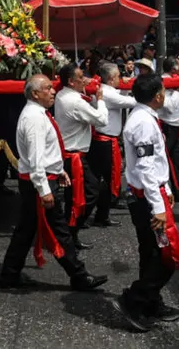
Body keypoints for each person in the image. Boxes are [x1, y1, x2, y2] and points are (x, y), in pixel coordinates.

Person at [0, 74, 109, 291]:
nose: (53, 92)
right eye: (48, 88)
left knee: (26, 230)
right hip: (40, 183)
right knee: (59, 230)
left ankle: (9, 275)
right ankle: (78, 275)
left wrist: (58, 171)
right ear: (34, 93)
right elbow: (36, 157)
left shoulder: (38, 114)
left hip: (43, 179)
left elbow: (44, 154)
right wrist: (44, 188)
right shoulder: (35, 118)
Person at [115, 73, 179, 332]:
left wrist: (167, 187)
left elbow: (156, 163)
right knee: (165, 257)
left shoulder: (145, 118)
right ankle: (134, 300)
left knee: (151, 252)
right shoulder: (143, 123)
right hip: (148, 200)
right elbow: (146, 167)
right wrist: (158, 207)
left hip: (151, 194)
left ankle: (150, 302)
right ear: (158, 96)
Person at [54, 63, 108, 250]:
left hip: (71, 153)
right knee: (90, 191)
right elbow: (101, 120)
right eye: (80, 77)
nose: (84, 79)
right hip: (74, 156)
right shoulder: (75, 101)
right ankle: (69, 231)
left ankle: (70, 233)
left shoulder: (63, 95)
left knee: (73, 196)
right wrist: (100, 100)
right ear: (70, 81)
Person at [88, 61, 136, 226]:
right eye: (117, 77)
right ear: (110, 79)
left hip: (103, 141)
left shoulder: (105, 90)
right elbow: (130, 102)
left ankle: (102, 214)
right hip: (104, 142)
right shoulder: (107, 94)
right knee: (105, 181)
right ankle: (96, 215)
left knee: (103, 180)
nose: (120, 79)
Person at [158, 58, 179, 202]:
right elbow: (168, 106)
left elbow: (177, 107)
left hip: (175, 126)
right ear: (173, 69)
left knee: (177, 161)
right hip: (166, 127)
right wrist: (176, 90)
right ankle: (160, 192)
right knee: (162, 160)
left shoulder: (174, 82)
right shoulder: (164, 83)